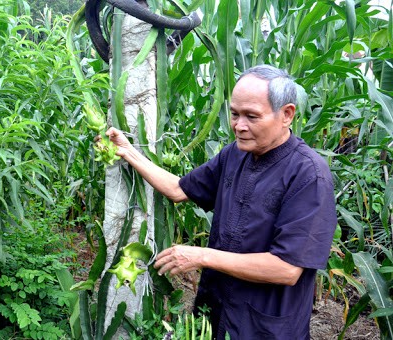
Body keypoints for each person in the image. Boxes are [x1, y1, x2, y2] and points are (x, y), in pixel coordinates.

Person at [104, 64, 337, 339]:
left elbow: (286, 268)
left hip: (264, 327)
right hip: (216, 312)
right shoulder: (234, 155)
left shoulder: (308, 174)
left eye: (251, 116)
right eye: (235, 114)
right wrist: (128, 152)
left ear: (286, 114)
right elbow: (179, 190)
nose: (239, 126)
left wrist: (201, 255)